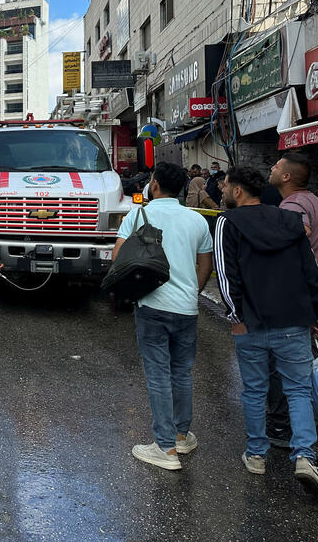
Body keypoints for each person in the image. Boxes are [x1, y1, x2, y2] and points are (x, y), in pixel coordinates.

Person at [215, 166, 318, 494]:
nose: (222, 190)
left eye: (225, 186)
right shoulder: (289, 221)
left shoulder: (227, 222)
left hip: (250, 323)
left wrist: (237, 316)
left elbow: (227, 277)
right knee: (298, 390)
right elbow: (309, 268)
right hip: (294, 321)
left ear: (238, 191)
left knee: (254, 391)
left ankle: (256, 455)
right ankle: (305, 456)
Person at [112, 162, 214, 471]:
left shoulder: (139, 215)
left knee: (158, 374)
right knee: (181, 373)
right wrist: (190, 293)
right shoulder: (196, 220)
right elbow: (205, 265)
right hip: (186, 308)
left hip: (152, 305)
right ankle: (182, 435)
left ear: (154, 185)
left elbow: (118, 258)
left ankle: (165, 448)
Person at [266, 153, 318, 450]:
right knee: (306, 363)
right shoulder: (313, 201)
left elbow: (300, 232)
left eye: (276, 167)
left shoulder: (293, 205)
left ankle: (283, 427)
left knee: (283, 365)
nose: (272, 169)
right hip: (307, 296)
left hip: (292, 298)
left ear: (286, 177)